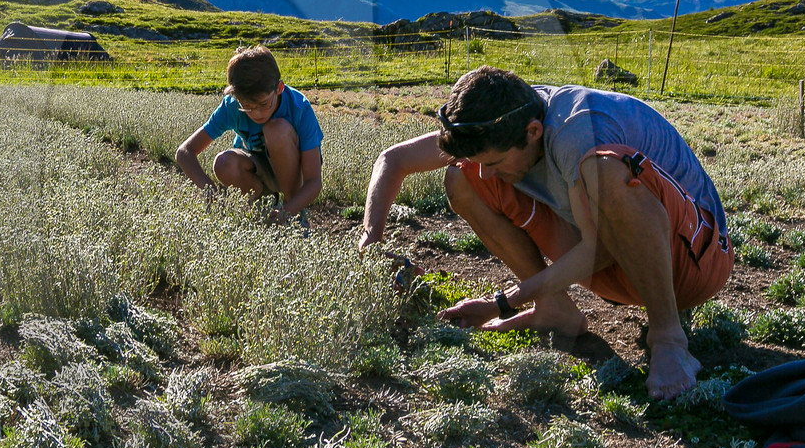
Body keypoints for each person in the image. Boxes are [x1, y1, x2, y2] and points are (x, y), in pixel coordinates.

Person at [358, 66, 731, 399]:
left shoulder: (577, 132)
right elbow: (393, 160)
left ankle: (668, 337)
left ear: (533, 132)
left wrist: (500, 303)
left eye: (496, 162)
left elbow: (595, 251)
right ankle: (555, 309)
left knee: (606, 170)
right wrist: (370, 241)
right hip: (615, 259)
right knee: (462, 177)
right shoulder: (506, 116)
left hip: (692, 263)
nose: (488, 173)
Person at [174, 44, 323, 223]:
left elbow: (314, 181)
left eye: (263, 104)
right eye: (248, 107)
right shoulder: (232, 105)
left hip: (293, 176)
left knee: (276, 130)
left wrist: (287, 211)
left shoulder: (299, 107)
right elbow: (184, 152)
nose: (256, 114)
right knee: (224, 163)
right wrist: (211, 191)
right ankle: (259, 211)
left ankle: (295, 215)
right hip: (258, 172)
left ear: (279, 88)